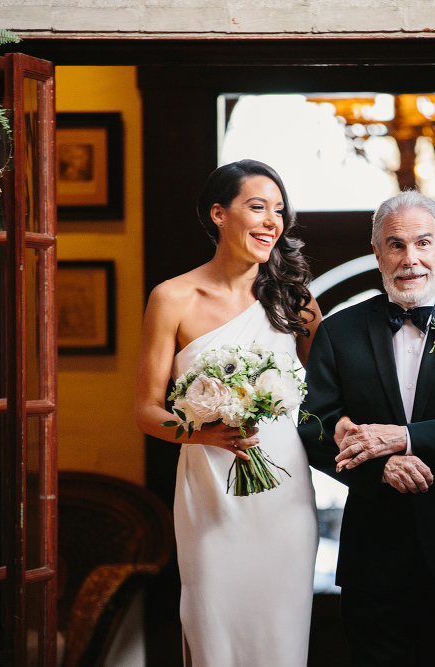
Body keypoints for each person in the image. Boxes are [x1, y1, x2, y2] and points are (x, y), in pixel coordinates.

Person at [298, 191, 435, 666]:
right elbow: (314, 426)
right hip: (371, 552)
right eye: (395, 245)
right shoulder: (338, 332)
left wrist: (402, 437)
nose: (410, 259)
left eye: (422, 243)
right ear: (377, 253)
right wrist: (379, 469)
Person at [134, 160, 321, 666]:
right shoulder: (172, 298)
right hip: (210, 490)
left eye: (278, 211)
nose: (271, 222)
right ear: (218, 213)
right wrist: (201, 433)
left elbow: (320, 400)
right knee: (213, 627)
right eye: (256, 207)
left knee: (281, 636)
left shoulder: (296, 301)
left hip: (285, 493)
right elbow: (147, 411)